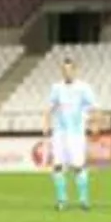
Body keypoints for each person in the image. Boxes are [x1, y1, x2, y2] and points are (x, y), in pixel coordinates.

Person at [42, 58, 100, 211]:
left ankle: (83, 200)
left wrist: (95, 124)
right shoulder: (56, 88)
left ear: (75, 70)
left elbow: (94, 107)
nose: (66, 73)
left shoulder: (83, 88)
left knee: (78, 166)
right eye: (64, 70)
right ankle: (62, 200)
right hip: (59, 132)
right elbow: (49, 107)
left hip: (76, 133)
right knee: (57, 166)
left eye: (69, 70)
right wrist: (46, 123)